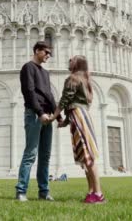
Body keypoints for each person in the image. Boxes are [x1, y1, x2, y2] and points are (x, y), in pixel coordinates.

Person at [50, 55, 106, 204]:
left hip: (79, 116)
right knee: (84, 156)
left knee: (87, 156)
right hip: (81, 115)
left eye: (72, 60)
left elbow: (65, 100)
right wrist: (66, 121)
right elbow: (75, 103)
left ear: (77, 64)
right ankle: (91, 192)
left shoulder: (72, 79)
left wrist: (53, 116)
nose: (68, 60)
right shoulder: (85, 80)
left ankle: (98, 194)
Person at [15, 41, 59, 202]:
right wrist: (39, 113)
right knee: (30, 154)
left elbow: (49, 95)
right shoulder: (28, 68)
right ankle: (21, 191)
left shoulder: (45, 73)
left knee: (45, 156)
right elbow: (29, 92)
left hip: (48, 116)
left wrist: (58, 116)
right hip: (34, 115)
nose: (48, 56)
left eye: (50, 53)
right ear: (37, 51)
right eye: (46, 52)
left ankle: (44, 191)